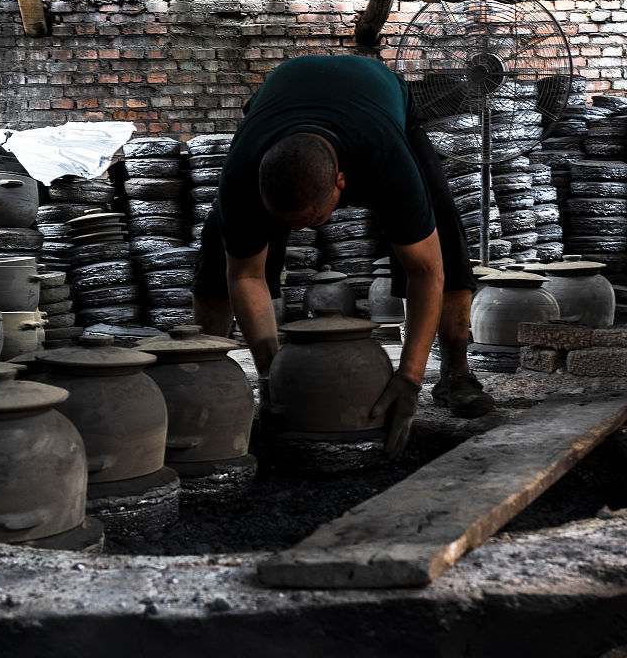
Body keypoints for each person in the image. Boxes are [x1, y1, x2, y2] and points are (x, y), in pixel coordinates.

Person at [191, 54, 493, 457]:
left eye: (311, 220)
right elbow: (245, 276)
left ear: (343, 182)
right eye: (288, 222)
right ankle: (204, 383)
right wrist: (271, 378)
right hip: (279, 100)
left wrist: (410, 376)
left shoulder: (386, 160)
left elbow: (427, 272)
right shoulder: (243, 173)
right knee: (218, 258)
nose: (301, 231)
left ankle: (456, 371)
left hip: (380, 102)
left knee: (446, 242)